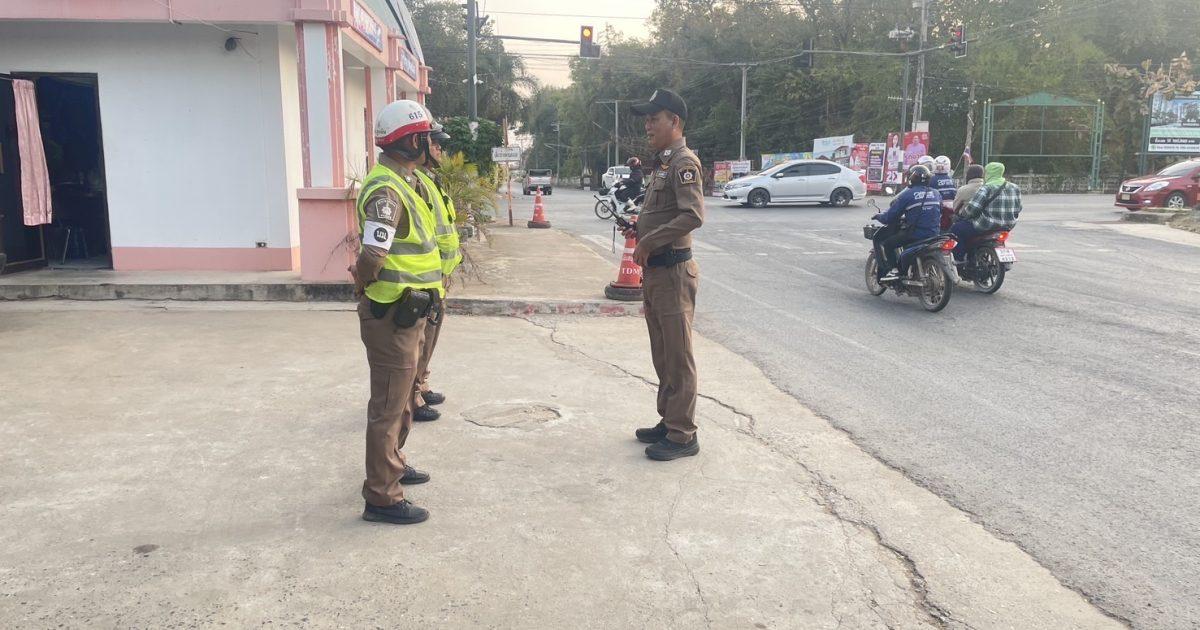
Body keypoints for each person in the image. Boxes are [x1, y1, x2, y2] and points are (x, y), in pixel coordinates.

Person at [351, 99, 444, 525]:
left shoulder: (406, 181)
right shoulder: (387, 190)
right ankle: (382, 496)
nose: (430, 144)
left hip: (409, 312)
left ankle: (393, 464)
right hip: (391, 316)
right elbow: (374, 254)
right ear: (409, 142)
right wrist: (363, 284)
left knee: (403, 399)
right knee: (388, 407)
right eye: (424, 137)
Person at [623, 88, 704, 461]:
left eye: (654, 119)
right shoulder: (663, 164)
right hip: (656, 273)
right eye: (646, 119)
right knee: (663, 353)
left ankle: (683, 434)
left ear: (674, 121)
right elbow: (662, 213)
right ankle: (669, 419)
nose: (648, 125)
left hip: (673, 272)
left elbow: (693, 215)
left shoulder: (684, 162)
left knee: (678, 355)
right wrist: (638, 228)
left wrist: (649, 240)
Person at [409, 118, 463, 423]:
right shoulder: (415, 182)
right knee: (420, 339)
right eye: (435, 143)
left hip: (438, 274)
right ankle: (413, 395)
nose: (440, 149)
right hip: (426, 277)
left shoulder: (428, 179)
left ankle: (421, 383)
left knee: (429, 336)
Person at [872, 165, 941, 281]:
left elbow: (889, 217)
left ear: (911, 178)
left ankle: (894, 270)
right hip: (934, 233)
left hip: (916, 234)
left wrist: (878, 216)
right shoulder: (936, 193)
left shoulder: (907, 194)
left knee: (888, 244)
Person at [949, 162, 1022, 262]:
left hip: (986, 225)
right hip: (1008, 225)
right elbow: (1019, 208)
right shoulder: (1014, 187)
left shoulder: (986, 188)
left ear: (988, 173)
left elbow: (973, 208)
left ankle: (959, 260)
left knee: (957, 229)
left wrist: (963, 215)